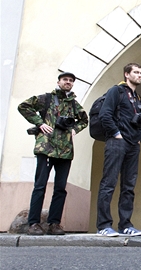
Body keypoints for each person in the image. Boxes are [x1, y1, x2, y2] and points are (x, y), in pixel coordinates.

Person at [18, 72, 88, 236]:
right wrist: (40, 123)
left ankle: (54, 223)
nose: (68, 82)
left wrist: (74, 129)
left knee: (60, 188)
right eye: (65, 80)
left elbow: (84, 120)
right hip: (46, 146)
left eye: (71, 81)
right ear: (59, 82)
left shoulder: (74, 105)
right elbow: (23, 106)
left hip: (65, 150)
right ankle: (33, 223)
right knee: (40, 186)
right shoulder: (46, 99)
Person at [96, 63, 141, 237]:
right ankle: (104, 225)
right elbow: (105, 114)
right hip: (117, 142)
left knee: (129, 186)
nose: (139, 75)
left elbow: (137, 119)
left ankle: (125, 225)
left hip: (133, 144)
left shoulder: (137, 97)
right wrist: (116, 134)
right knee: (109, 183)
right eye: (136, 72)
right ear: (127, 74)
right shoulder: (116, 91)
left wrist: (139, 139)